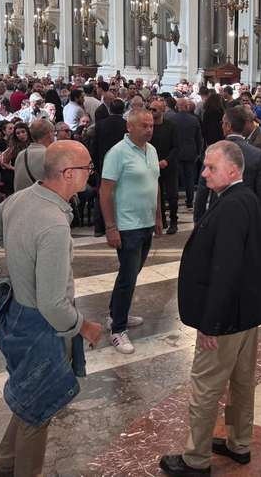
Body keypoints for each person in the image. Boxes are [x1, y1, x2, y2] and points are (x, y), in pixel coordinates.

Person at [0, 141, 104, 477]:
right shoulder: (53, 224)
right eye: (88, 168)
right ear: (69, 174)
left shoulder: (22, 197)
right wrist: (84, 326)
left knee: (28, 399)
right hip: (41, 327)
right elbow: (53, 304)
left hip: (14, 316)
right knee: (37, 412)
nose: (91, 173)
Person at [160, 141, 261, 476]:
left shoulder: (231, 206)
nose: (204, 172)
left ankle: (195, 460)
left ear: (233, 170)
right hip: (246, 312)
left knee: (205, 386)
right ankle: (239, 444)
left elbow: (225, 268)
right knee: (241, 382)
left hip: (225, 318)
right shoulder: (246, 198)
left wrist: (209, 322)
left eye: (211, 167)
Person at [99, 109, 162, 355]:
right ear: (130, 127)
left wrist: (158, 216)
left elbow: (154, 182)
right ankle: (118, 330)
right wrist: (111, 226)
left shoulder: (152, 150)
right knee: (128, 277)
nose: (149, 129)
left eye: (151, 125)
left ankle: (116, 315)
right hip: (127, 225)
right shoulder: (117, 153)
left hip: (145, 222)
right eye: (144, 125)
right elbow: (105, 192)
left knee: (132, 273)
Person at [194, 106, 261, 225]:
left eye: (223, 123)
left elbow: (203, 188)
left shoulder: (213, 150)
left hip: (218, 211)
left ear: (228, 126)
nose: (221, 126)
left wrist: (198, 219)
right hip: (247, 213)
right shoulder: (255, 153)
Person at [90, 99, 128, 236]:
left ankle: (99, 227)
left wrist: (96, 164)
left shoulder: (100, 125)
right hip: (123, 165)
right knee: (121, 194)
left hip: (103, 164)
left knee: (102, 194)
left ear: (110, 110)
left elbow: (94, 146)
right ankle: (118, 223)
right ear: (123, 110)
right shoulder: (126, 125)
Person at [149, 100, 180, 235]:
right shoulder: (149, 127)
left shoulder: (171, 126)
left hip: (169, 165)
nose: (151, 112)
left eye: (154, 109)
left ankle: (174, 220)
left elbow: (176, 147)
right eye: (150, 109)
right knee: (156, 195)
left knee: (172, 195)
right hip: (153, 166)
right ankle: (161, 220)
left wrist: (166, 161)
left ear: (162, 110)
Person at [171, 98, 203, 210]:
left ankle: (174, 201)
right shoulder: (194, 120)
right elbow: (199, 138)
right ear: (187, 106)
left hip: (176, 152)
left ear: (177, 106)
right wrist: (198, 152)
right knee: (189, 177)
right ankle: (190, 201)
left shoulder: (172, 119)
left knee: (175, 178)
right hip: (191, 151)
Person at [13, 119, 55, 192]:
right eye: (54, 132)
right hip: (43, 200)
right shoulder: (50, 155)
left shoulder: (21, 154)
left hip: (23, 200)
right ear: (50, 134)